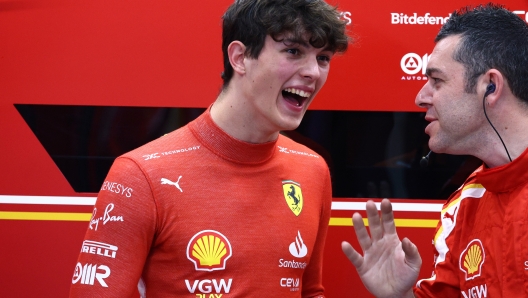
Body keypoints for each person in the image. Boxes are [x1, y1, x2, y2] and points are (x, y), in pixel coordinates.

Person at [70, 0, 349, 296]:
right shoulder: (141, 174)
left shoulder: (313, 170)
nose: (313, 72)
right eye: (293, 51)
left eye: (323, 58)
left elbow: (310, 292)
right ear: (240, 57)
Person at [341, 4, 528, 297]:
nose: (420, 97)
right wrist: (399, 295)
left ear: (490, 86)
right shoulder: (464, 207)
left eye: (437, 80)